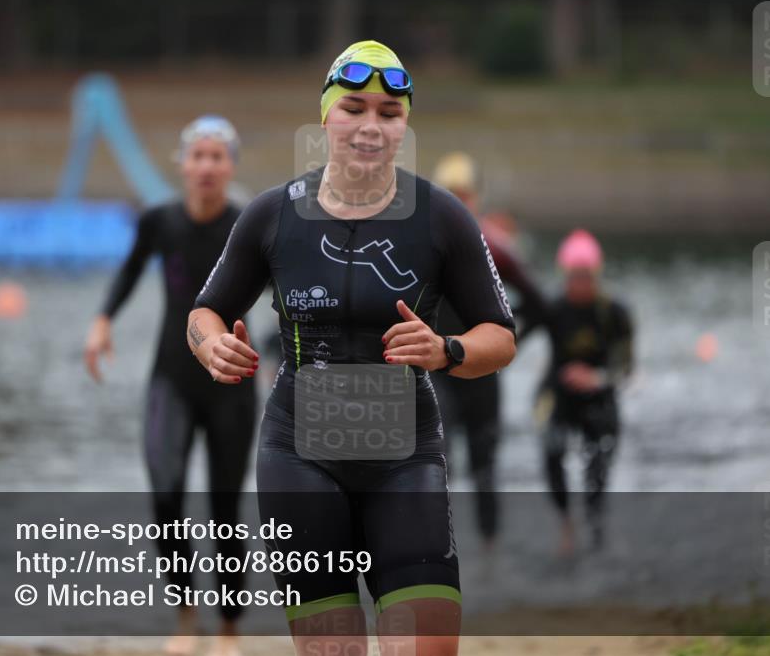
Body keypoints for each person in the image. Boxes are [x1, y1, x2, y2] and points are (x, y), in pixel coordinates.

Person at [187, 41, 516, 656]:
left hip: (405, 455)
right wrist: (211, 347)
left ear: (405, 125)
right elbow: (206, 311)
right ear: (325, 119)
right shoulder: (271, 216)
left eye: (389, 113)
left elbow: (500, 335)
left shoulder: (443, 219)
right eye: (355, 108)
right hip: (299, 455)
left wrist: (447, 348)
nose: (371, 125)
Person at [84, 116, 255, 656]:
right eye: (197, 156)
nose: (206, 166)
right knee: (164, 495)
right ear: (182, 165)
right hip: (171, 378)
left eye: (217, 156)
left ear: (230, 166)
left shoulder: (247, 224)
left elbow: (288, 288)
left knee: (225, 509)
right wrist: (103, 319)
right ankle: (186, 618)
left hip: (231, 382)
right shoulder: (158, 220)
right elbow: (130, 271)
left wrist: (283, 352)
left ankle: (228, 629)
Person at [430, 152, 547, 547]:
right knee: (437, 461)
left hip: (480, 371)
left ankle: (489, 552)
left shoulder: (494, 246)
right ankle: (438, 551)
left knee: (485, 465)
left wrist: (505, 347)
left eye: (463, 195)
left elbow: (538, 303)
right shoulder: (421, 246)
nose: (458, 204)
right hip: (435, 371)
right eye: (450, 196)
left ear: (475, 198)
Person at [524, 229, 633, 555]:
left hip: (599, 395)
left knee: (599, 462)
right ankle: (566, 522)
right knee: (551, 452)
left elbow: (626, 367)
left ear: (596, 276)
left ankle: (596, 527)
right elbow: (509, 335)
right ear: (564, 275)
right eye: (573, 277)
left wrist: (596, 377)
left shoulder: (615, 312)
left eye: (586, 277)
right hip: (557, 395)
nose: (580, 284)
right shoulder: (553, 308)